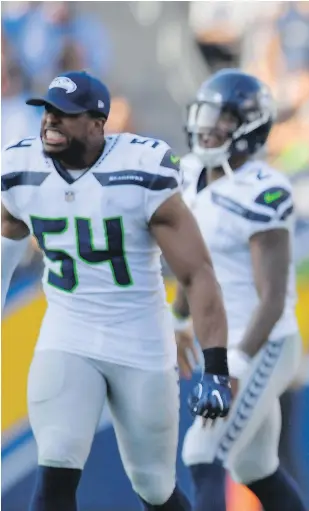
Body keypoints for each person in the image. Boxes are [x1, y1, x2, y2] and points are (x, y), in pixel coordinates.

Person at [0, 71, 232, 511]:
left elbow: (198, 273)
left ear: (96, 123)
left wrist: (215, 366)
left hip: (141, 342)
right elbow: (5, 250)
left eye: (65, 115)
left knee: (155, 487)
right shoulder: (20, 170)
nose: (50, 121)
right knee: (55, 466)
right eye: (47, 110)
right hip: (68, 334)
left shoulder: (141, 172)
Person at [172, 69, 307, 511]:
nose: (208, 127)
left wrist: (236, 363)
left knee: (201, 451)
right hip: (217, 341)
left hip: (263, 341)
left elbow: (272, 297)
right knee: (255, 467)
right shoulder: (190, 173)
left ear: (249, 126)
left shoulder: (263, 190)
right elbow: (192, 266)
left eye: (223, 118)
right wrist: (177, 320)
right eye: (206, 115)